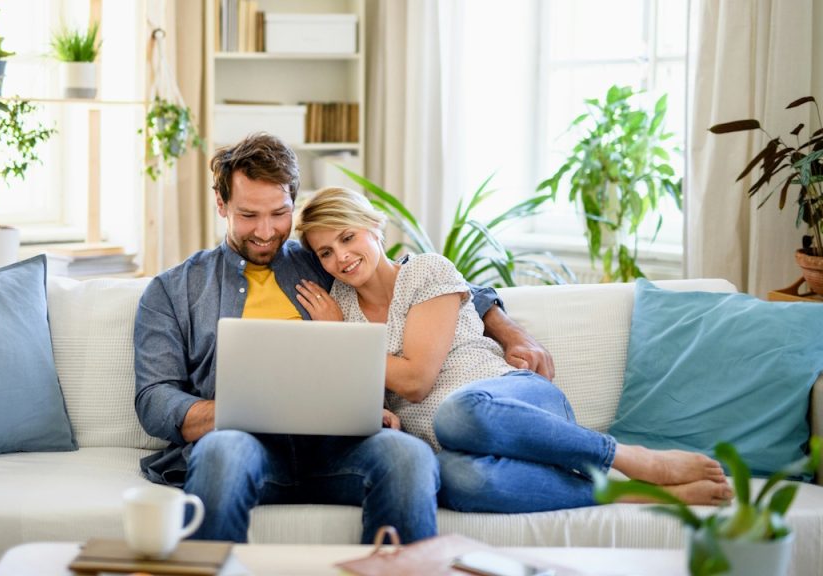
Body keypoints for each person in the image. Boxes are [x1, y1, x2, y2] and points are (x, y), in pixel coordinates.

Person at [294, 186, 735, 513]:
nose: (342, 258)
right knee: (460, 481)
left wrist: (342, 341)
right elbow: (374, 401)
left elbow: (414, 380)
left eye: (348, 237)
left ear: (374, 227)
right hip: (453, 449)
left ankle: (629, 458)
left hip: (514, 404)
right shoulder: (339, 310)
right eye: (326, 252)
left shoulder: (427, 272)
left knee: (457, 413)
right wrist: (375, 412)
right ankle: (635, 494)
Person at [134, 133, 441, 544]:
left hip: (341, 448)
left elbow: (416, 283)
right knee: (222, 454)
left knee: (409, 456)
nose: (265, 231)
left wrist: (504, 326)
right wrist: (232, 410)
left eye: (279, 214)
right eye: (248, 215)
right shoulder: (174, 290)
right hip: (245, 449)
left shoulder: (323, 259)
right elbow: (154, 398)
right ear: (221, 203)